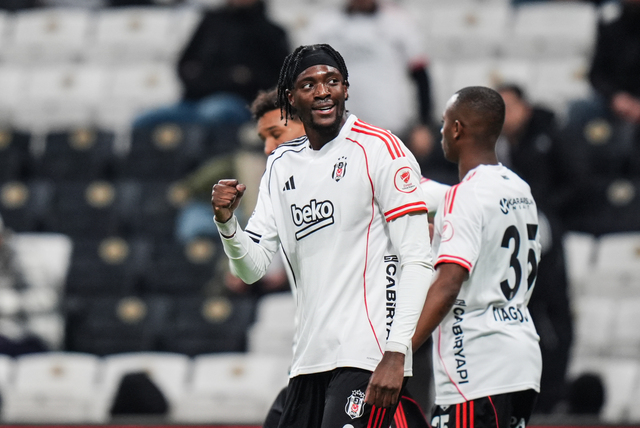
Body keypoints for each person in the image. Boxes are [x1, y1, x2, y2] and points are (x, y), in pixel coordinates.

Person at [211, 44, 433, 427]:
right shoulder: (281, 165)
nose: (322, 91)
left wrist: (397, 353)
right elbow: (251, 269)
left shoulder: (379, 148)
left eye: (332, 81)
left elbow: (417, 258)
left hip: (367, 356)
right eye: (308, 84)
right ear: (290, 98)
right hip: (308, 362)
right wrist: (227, 223)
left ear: (346, 89)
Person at [412, 86, 542, 428]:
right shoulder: (519, 189)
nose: (441, 131)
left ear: (457, 129)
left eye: (444, 123)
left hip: (477, 365)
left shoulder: (464, 196)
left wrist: (400, 352)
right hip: (521, 359)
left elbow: (448, 284)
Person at [497, 84, 574, 413]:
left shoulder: (548, 139)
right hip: (508, 245)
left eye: (510, 107)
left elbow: (575, 180)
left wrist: (544, 210)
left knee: (553, 316)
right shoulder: (492, 147)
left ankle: (552, 393)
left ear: (525, 108)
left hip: (545, 241)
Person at [301, 0, 436, 158]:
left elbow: (420, 75)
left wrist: (423, 124)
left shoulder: (399, 22)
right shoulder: (324, 24)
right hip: (337, 131)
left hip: (388, 129)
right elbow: (304, 76)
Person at [134, 0, 290, 129]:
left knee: (213, 114)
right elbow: (185, 65)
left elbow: (277, 81)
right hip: (193, 102)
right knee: (144, 121)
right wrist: (230, 77)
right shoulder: (211, 22)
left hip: (239, 105)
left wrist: (241, 81)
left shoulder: (271, 32)